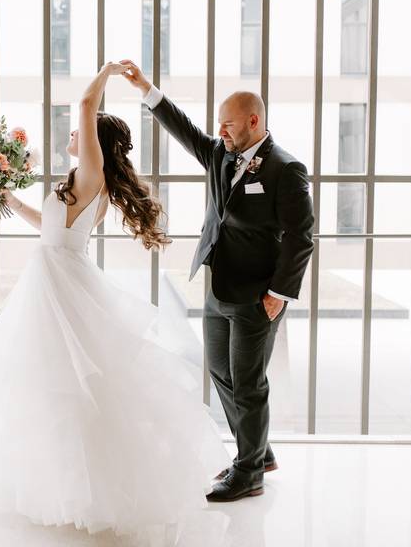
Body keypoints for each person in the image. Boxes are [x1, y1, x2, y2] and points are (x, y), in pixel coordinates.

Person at [0, 63, 229, 542]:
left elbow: (84, 105)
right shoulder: (83, 181)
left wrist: (104, 73)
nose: (70, 135)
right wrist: (10, 200)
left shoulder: (92, 173)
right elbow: (53, 226)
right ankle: (60, 487)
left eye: (77, 133)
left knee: (71, 389)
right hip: (54, 278)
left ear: (94, 142)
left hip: (60, 286)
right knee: (50, 389)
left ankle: (90, 491)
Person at [118, 59, 314, 502]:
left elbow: (302, 237)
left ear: (253, 120)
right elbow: (184, 129)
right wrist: (146, 88)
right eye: (219, 125)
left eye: (228, 124)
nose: (220, 131)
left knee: (248, 382)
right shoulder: (221, 154)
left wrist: (279, 293)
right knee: (220, 372)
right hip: (218, 286)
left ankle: (249, 473)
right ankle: (258, 453)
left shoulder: (286, 169)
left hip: (258, 295)